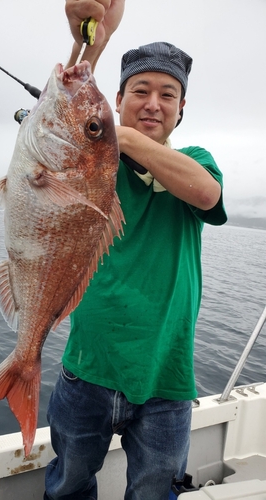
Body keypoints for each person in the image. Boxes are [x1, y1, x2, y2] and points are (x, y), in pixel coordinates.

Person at [44, 1, 227, 499]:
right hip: (87, 366)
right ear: (117, 98)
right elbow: (65, 115)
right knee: (67, 487)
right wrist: (90, 42)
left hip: (167, 379)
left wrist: (118, 135)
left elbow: (206, 195)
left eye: (168, 94)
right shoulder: (92, 160)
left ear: (181, 109)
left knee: (153, 493)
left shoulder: (196, 162)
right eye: (140, 91)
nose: (153, 103)